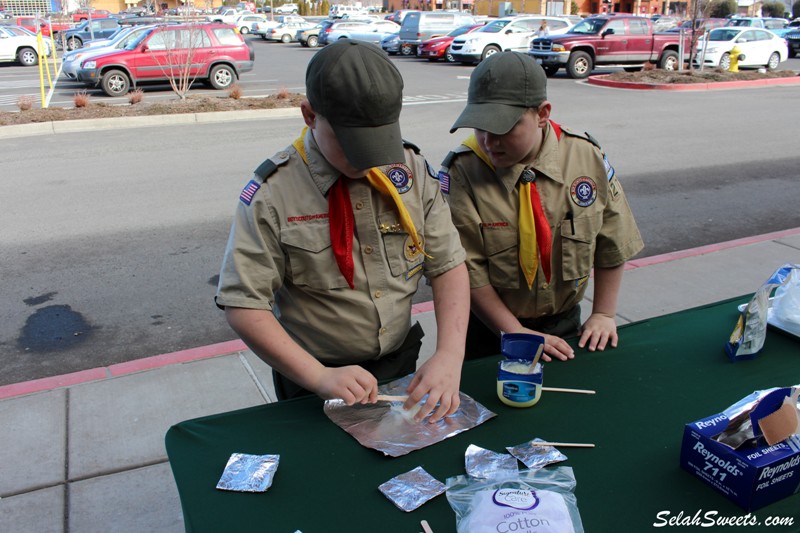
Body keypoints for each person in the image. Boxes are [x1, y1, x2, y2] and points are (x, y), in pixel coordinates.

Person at [216, 39, 470, 423]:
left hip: (400, 361)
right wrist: (317, 376)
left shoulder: (411, 171)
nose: (367, 158)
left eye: (377, 141)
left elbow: (448, 265)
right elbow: (243, 303)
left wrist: (450, 356)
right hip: (313, 377)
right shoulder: (274, 193)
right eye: (351, 143)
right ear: (309, 115)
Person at [440, 51, 644, 362]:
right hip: (491, 329)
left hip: (564, 324)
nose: (489, 141)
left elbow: (612, 240)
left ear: (542, 114)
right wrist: (513, 331)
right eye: (480, 127)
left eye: (504, 128)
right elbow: (469, 271)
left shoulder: (585, 158)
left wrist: (603, 312)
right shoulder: (464, 172)